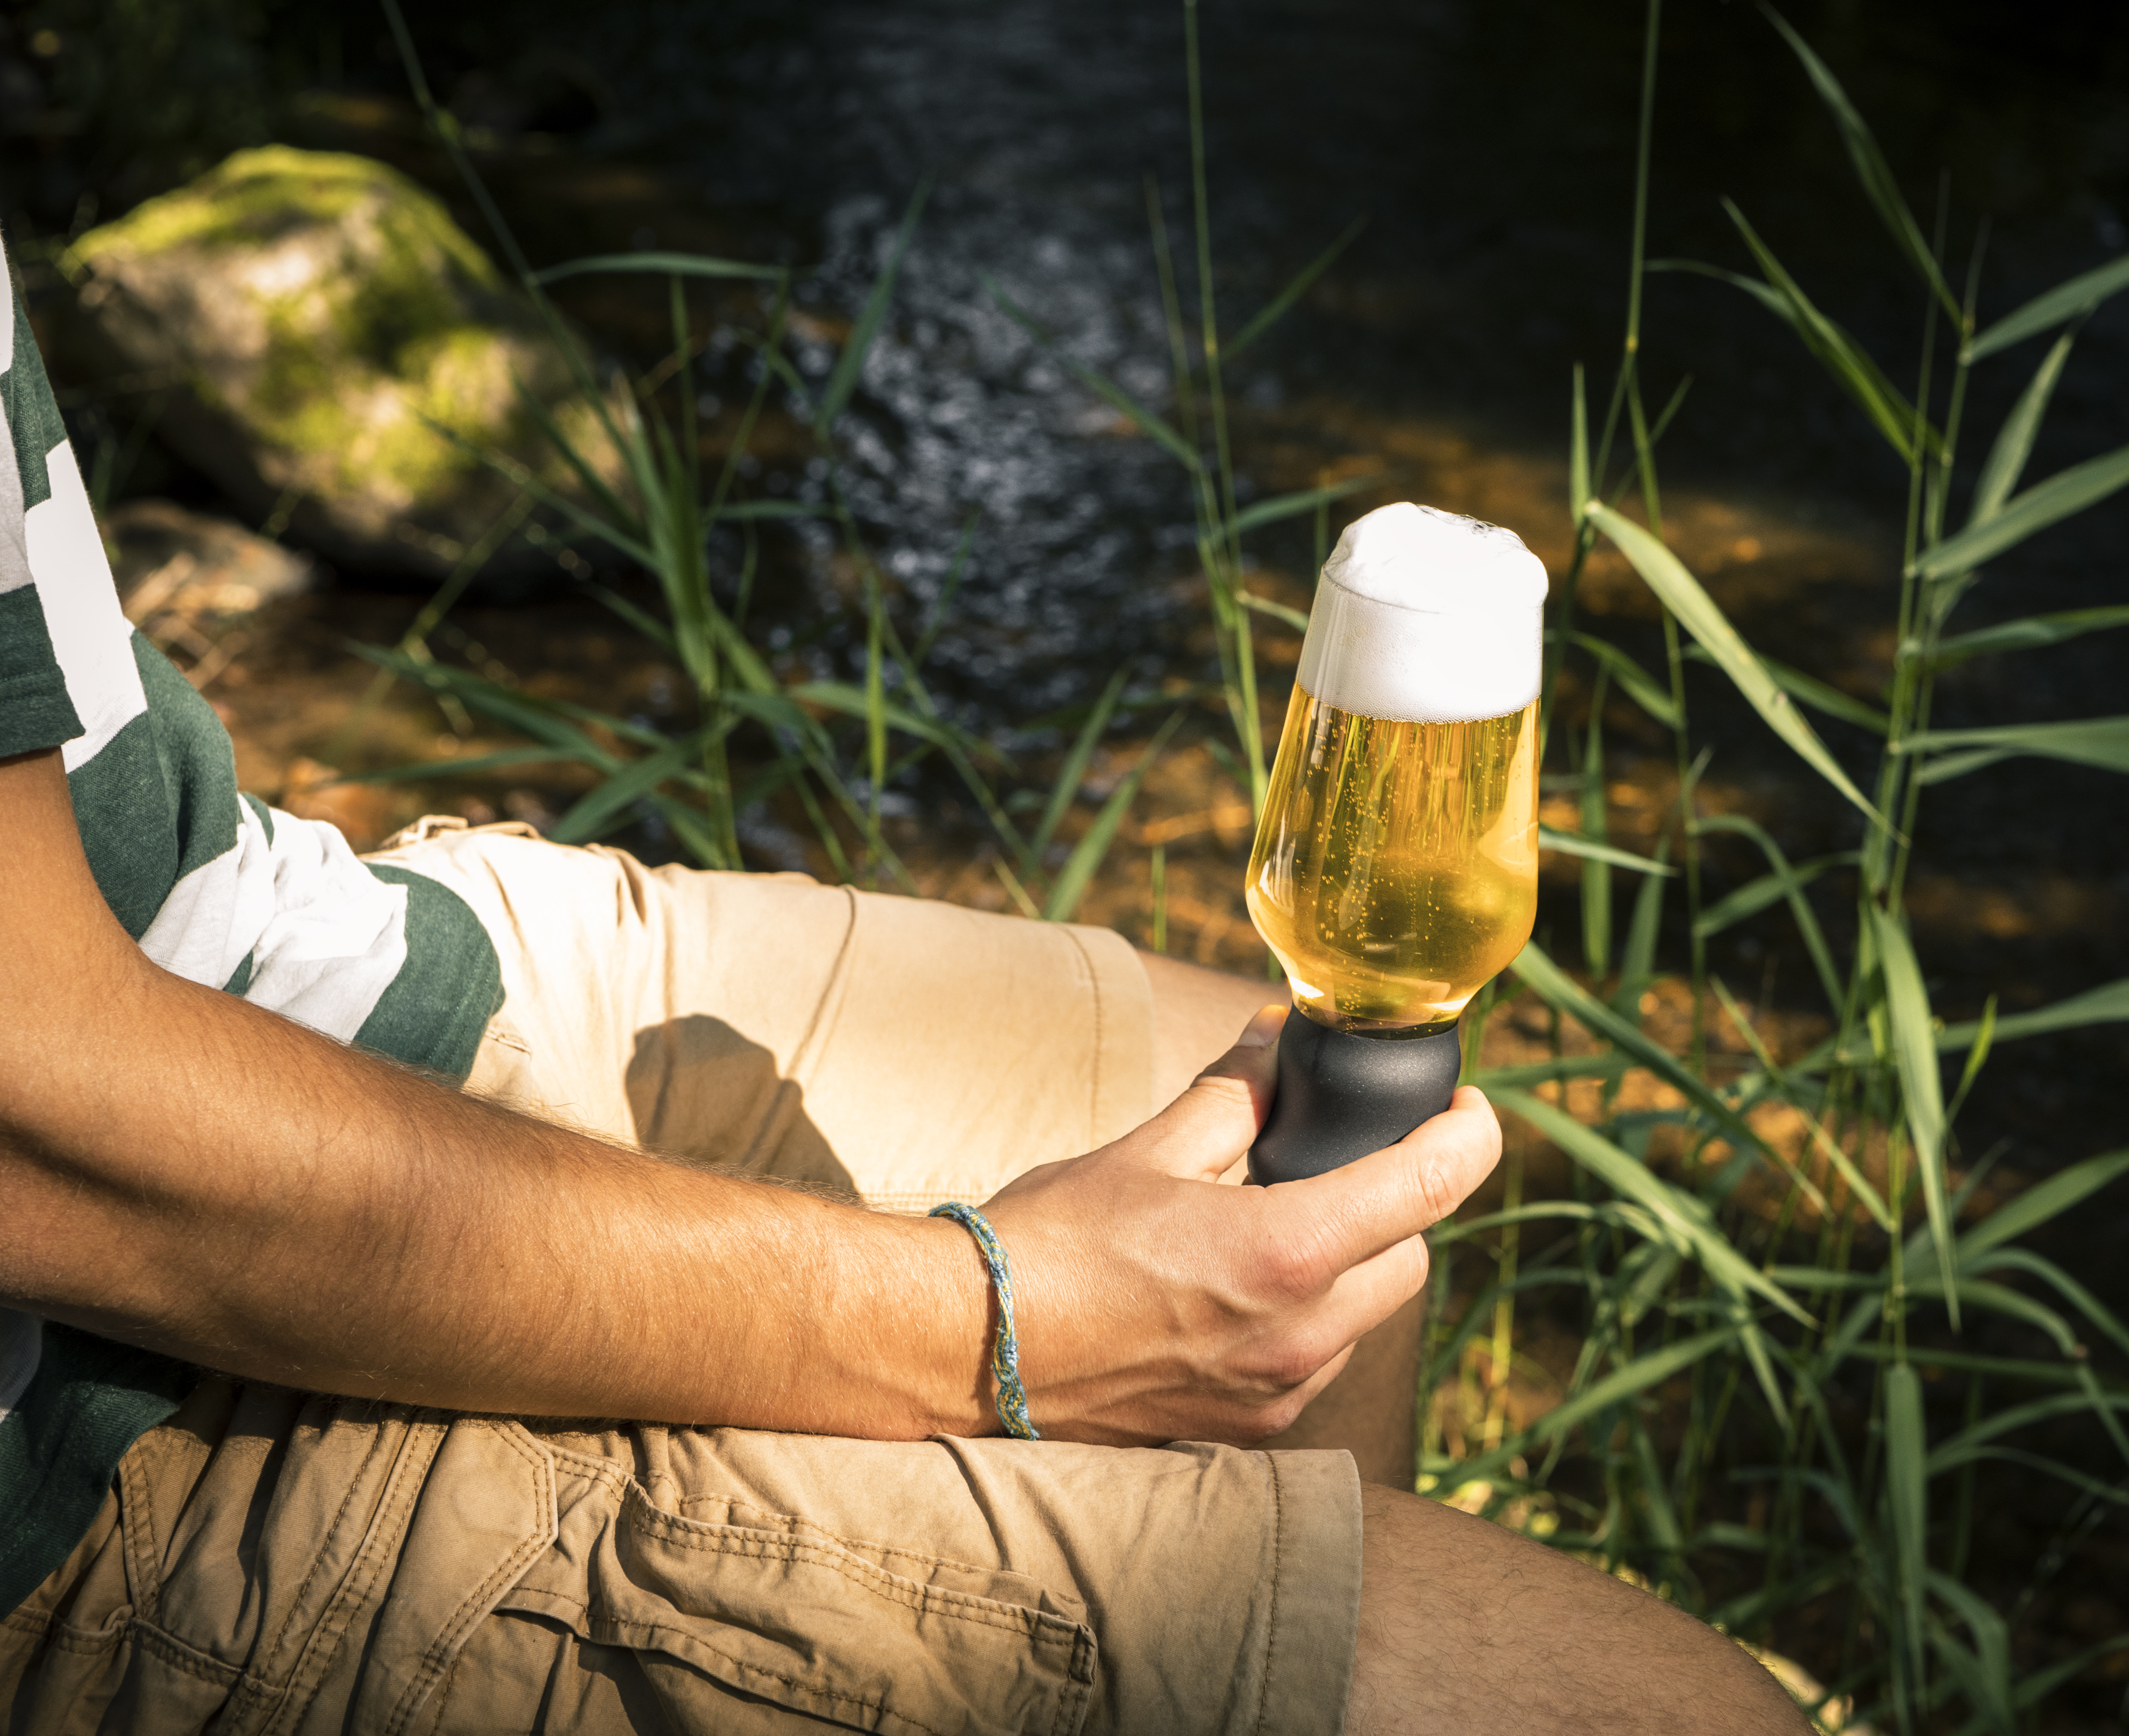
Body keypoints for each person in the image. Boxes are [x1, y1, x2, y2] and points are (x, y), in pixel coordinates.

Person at [0, 247, 1805, 1733]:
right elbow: (43, 1129)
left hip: (245, 934)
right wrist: (1000, 1318)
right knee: (1647, 1711)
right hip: (82, 1435)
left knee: (1267, 1143)